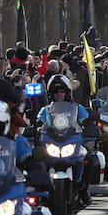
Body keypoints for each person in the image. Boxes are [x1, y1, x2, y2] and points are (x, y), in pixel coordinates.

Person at [36, 75, 93, 206]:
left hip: (72, 142)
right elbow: (39, 122)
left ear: (67, 92)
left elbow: (86, 120)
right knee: (36, 160)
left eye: (62, 91)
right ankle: (41, 192)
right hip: (52, 143)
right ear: (51, 94)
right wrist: (36, 127)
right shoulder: (45, 110)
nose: (59, 94)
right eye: (56, 91)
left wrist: (89, 124)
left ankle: (83, 190)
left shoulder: (77, 108)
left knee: (90, 159)